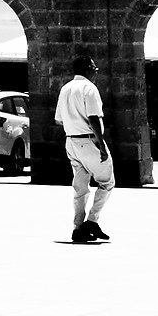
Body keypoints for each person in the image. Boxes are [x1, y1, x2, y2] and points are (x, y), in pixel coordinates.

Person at [55, 54, 114, 243]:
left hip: (71, 141)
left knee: (80, 187)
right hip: (89, 141)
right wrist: (101, 145)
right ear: (88, 68)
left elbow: (58, 119)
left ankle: (78, 227)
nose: (96, 70)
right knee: (107, 182)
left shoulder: (65, 88)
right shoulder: (89, 88)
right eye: (94, 67)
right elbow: (94, 118)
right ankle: (92, 221)